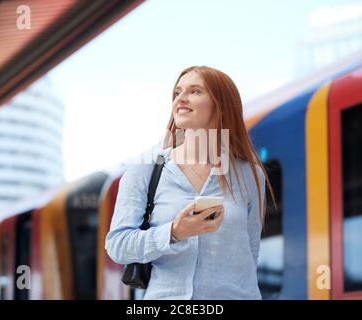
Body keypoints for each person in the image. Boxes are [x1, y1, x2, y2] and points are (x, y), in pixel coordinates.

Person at [105, 66, 275, 300]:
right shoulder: (145, 168)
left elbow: (250, 254)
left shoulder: (249, 174)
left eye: (195, 91)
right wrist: (173, 232)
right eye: (177, 92)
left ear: (222, 105)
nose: (181, 99)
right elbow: (117, 245)